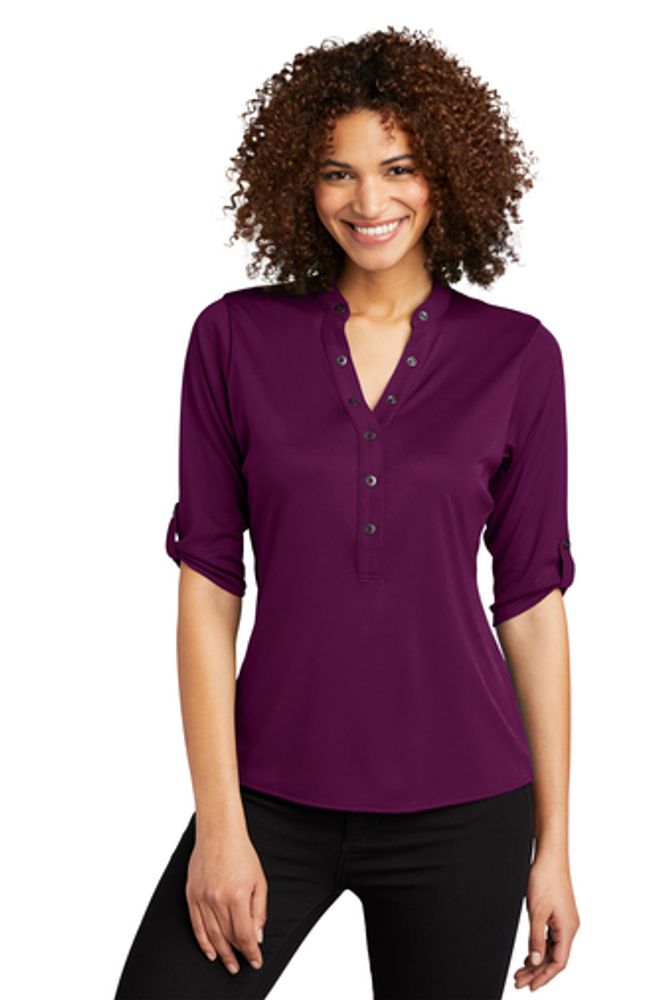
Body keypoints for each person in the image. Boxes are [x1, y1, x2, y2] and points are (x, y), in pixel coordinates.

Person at [114, 25, 580, 1000]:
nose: (370, 202)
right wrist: (220, 825)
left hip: (467, 807)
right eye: (339, 173)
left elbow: (532, 605)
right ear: (302, 181)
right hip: (269, 794)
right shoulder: (234, 339)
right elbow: (209, 587)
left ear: (446, 174)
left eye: (398, 167)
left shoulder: (518, 357)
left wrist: (555, 846)